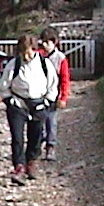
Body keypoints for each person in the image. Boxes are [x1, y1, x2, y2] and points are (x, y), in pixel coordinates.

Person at [0, 35, 59, 185]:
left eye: (29, 52)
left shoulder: (45, 64)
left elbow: (53, 85)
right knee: (17, 137)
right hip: (18, 104)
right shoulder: (14, 64)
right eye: (23, 52)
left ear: (35, 50)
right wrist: (10, 101)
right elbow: (3, 86)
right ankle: (19, 166)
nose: (26, 56)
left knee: (36, 136)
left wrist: (47, 103)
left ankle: (31, 162)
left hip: (38, 104)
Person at [39, 27, 72, 162]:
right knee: (38, 121)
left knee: (51, 121)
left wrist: (63, 97)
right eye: (43, 43)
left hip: (53, 95)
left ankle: (50, 146)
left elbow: (65, 79)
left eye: (47, 42)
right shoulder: (38, 56)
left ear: (54, 42)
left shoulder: (60, 59)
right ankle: (37, 145)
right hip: (39, 94)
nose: (44, 46)